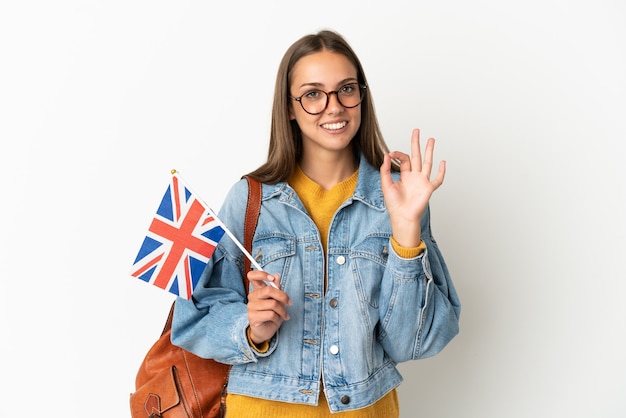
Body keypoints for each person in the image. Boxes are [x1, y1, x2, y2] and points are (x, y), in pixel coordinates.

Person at [171, 29, 461, 417]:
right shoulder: (251, 199)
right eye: (312, 94)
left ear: (362, 96)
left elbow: (412, 343)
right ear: (289, 107)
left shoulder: (399, 199)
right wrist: (250, 328)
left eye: (346, 89)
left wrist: (407, 226)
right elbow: (192, 318)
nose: (334, 107)